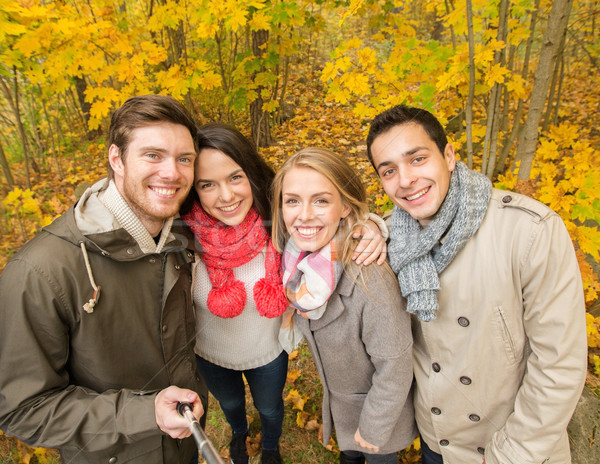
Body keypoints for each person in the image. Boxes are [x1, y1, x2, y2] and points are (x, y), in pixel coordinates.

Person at [366, 105, 588, 464]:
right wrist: (368, 225)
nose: (405, 180)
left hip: (510, 445)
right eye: (388, 170)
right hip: (437, 439)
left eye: (418, 159)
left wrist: (513, 454)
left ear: (449, 156)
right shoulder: (390, 238)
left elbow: (559, 365)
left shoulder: (529, 231)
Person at [0, 95, 208, 464]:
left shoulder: (179, 240)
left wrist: (342, 238)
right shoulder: (41, 272)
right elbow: (22, 408)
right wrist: (145, 414)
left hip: (186, 444)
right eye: (153, 155)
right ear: (116, 159)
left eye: (184, 159)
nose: (173, 173)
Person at [181, 125, 387, 464]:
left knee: (270, 407)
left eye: (235, 177)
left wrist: (372, 226)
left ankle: (271, 446)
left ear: (252, 174)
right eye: (207, 185)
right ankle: (238, 434)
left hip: (268, 353)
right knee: (231, 405)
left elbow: (332, 221)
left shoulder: (279, 223)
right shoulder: (184, 239)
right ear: (195, 189)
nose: (226, 195)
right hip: (212, 356)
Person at [271, 147, 417, 464]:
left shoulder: (369, 277)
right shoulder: (297, 262)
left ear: (345, 207)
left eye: (321, 200)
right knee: (350, 454)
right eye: (292, 200)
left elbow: (396, 366)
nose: (304, 214)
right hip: (343, 407)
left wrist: (375, 428)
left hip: (378, 414)